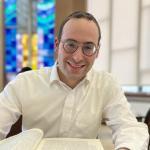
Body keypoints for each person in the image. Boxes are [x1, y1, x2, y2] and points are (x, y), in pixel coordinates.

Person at [0, 11, 149, 150]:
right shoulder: (25, 83)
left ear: (97, 51)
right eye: (71, 45)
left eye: (88, 47)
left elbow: (129, 127)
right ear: (57, 45)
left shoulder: (106, 84)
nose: (78, 57)